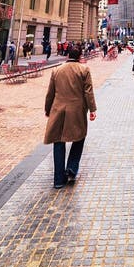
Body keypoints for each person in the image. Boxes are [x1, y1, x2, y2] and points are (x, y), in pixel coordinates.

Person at [44, 45, 96, 189]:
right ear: (80, 56)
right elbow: (88, 92)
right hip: (77, 110)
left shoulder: (56, 70)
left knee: (58, 141)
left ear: (68, 55)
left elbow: (50, 93)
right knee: (79, 137)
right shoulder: (84, 69)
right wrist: (92, 109)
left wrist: (47, 110)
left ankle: (58, 180)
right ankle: (72, 168)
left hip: (58, 110)